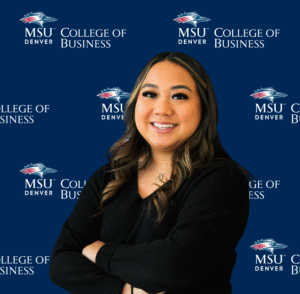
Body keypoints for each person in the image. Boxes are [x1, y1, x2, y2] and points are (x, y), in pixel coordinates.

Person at [49, 52, 250, 294]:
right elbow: (61, 262)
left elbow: (170, 268)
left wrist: (98, 251)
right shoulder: (108, 176)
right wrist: (126, 291)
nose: (162, 109)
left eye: (179, 96)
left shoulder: (222, 181)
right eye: (150, 94)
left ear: (203, 108)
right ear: (135, 102)